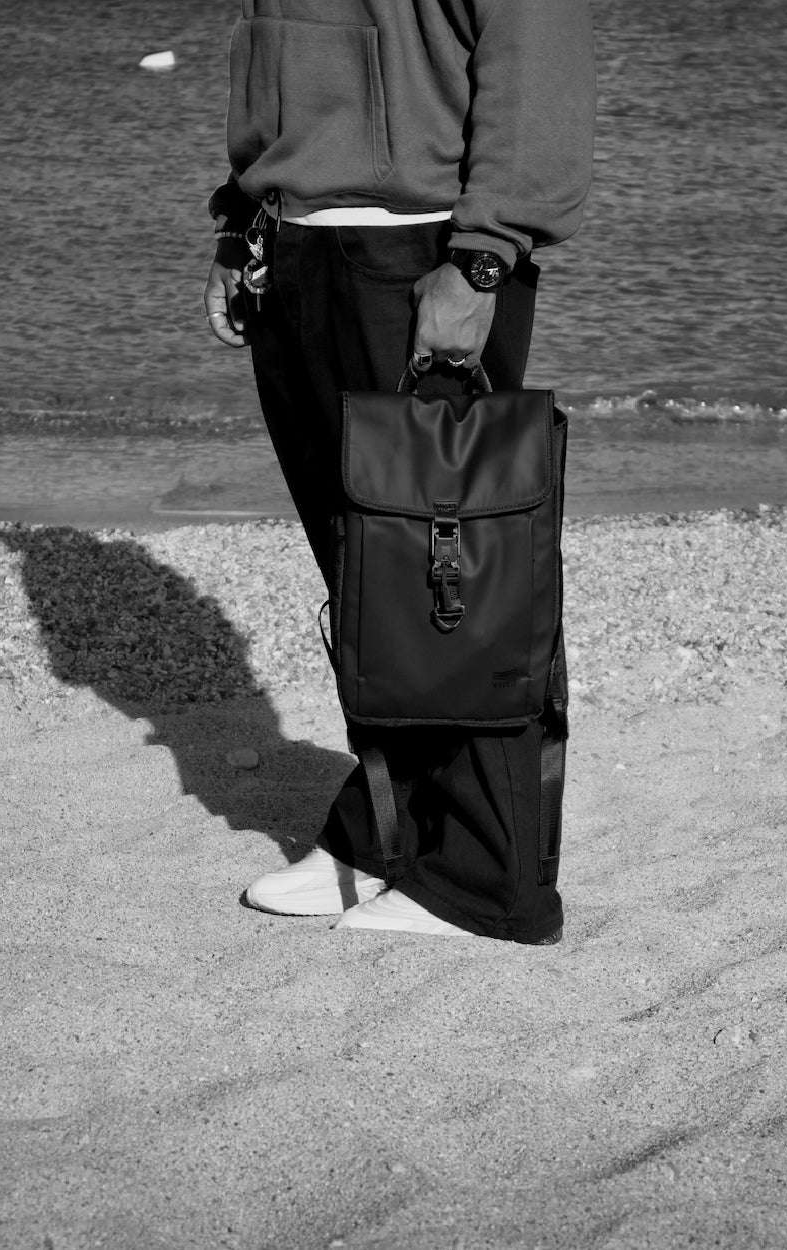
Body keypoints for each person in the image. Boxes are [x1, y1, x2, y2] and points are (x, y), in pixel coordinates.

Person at [204, 0, 596, 943]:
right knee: (363, 570)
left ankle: (486, 881)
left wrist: (485, 257)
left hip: (425, 253)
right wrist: (240, 218)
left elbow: (537, 50)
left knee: (450, 576)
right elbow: (277, 54)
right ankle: (388, 835)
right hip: (292, 241)